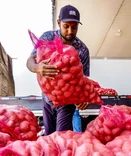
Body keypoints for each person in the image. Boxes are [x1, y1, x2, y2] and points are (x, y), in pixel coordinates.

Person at [26, 4, 90, 135]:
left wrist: (84, 97)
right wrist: (37, 67)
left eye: (74, 27)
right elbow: (30, 60)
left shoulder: (82, 50)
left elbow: (83, 81)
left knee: (61, 137)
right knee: (49, 136)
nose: (70, 31)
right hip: (47, 98)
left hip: (67, 101)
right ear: (59, 23)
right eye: (66, 26)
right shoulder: (47, 37)